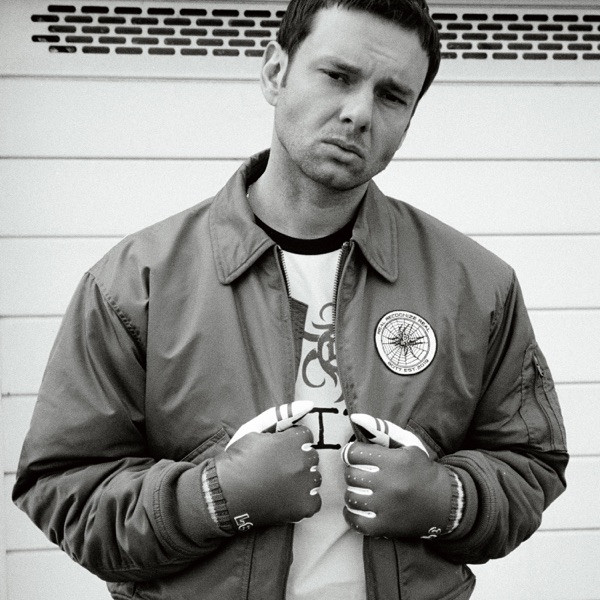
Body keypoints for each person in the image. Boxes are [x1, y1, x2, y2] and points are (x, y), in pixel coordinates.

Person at [13, 1, 568, 599]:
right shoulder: (136, 282)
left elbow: (530, 463)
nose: (359, 113)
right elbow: (65, 489)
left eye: (391, 96)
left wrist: (446, 500)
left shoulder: (476, 285)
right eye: (338, 76)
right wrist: (214, 498)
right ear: (275, 72)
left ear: (410, 118)